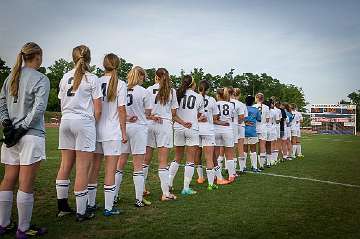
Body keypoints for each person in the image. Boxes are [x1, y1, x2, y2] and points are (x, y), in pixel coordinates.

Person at [0, 42, 50, 238]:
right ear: (37, 56)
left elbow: (2, 105)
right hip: (30, 135)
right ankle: (23, 228)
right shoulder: (41, 78)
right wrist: (19, 128)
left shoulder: (10, 76)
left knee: (8, 178)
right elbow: (38, 110)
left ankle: (3, 224)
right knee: (25, 183)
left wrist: (7, 126)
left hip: (11, 137)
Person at [55, 45, 102, 222]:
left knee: (65, 165)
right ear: (88, 58)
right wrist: (91, 125)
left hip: (66, 121)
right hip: (83, 122)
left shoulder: (64, 76)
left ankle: (63, 207)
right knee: (83, 168)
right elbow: (98, 109)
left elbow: (62, 105)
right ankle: (82, 212)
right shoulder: (92, 78)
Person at [88, 53, 127, 216]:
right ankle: (108, 208)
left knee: (94, 169)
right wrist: (124, 132)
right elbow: (121, 109)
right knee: (110, 170)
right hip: (112, 132)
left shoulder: (96, 80)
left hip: (95, 130)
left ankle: (90, 204)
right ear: (117, 65)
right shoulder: (120, 83)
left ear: (103, 65)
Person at [115, 66, 152, 207]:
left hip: (124, 127)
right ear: (140, 76)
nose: (144, 79)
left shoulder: (122, 89)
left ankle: (114, 196)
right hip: (139, 128)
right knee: (138, 165)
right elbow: (148, 112)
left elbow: (119, 110)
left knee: (120, 163)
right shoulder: (143, 91)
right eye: (144, 77)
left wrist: (128, 117)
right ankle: (138, 199)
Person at [143, 68, 178, 201]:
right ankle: (165, 194)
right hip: (164, 125)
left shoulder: (148, 89)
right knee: (162, 161)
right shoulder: (172, 91)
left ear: (156, 77)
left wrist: (151, 117)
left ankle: (142, 189)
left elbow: (144, 111)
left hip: (150, 124)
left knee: (145, 160)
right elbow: (174, 113)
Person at [169, 75, 205, 195]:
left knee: (177, 157)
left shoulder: (177, 94)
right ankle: (185, 188)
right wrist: (199, 117)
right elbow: (201, 115)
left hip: (179, 127)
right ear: (193, 84)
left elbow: (172, 112)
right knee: (190, 160)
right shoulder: (199, 97)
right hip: (191, 128)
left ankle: (169, 184)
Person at [196, 80, 230, 189]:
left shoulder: (195, 97)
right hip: (208, 129)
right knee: (210, 157)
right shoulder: (211, 100)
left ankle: (200, 177)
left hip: (196, 129)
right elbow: (215, 118)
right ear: (208, 89)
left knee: (197, 153)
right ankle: (216, 181)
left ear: (199, 88)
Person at [214, 88, 237, 182]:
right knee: (229, 154)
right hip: (227, 129)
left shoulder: (214, 104)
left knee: (215, 155)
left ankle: (216, 175)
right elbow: (232, 117)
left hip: (216, 129)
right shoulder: (231, 105)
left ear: (218, 95)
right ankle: (231, 175)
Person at [229, 88, 247, 173]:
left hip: (229, 126)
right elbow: (243, 117)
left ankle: (230, 167)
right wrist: (239, 122)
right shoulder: (241, 104)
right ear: (239, 95)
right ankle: (242, 168)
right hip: (240, 126)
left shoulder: (226, 102)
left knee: (228, 147)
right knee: (240, 147)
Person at [244, 95, 261, 172]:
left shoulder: (242, 108)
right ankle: (254, 167)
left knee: (244, 150)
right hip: (252, 131)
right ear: (253, 102)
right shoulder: (255, 109)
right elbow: (259, 119)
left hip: (243, 131)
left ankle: (243, 167)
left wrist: (245, 122)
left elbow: (239, 118)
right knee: (253, 150)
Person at [253, 93, 270, 170]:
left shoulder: (253, 106)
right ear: (262, 99)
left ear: (256, 98)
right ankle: (262, 164)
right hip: (263, 128)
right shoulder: (266, 107)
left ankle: (254, 164)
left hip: (254, 128)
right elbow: (267, 119)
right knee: (262, 146)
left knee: (254, 147)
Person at [264, 99, 278, 167]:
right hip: (271, 129)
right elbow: (277, 121)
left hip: (264, 129)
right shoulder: (274, 111)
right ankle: (269, 162)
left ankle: (263, 162)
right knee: (269, 146)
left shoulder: (263, 110)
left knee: (262, 146)